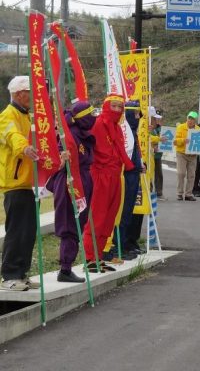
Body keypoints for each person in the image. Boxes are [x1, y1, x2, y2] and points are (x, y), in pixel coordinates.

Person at [82, 94, 134, 272]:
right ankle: (89, 257)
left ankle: (99, 256)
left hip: (114, 175)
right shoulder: (97, 124)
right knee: (97, 217)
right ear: (106, 106)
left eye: (121, 107)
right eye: (114, 106)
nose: (118, 110)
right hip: (99, 175)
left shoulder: (117, 129)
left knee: (109, 218)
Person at [46, 101, 96, 283]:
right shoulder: (67, 135)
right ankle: (65, 269)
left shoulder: (84, 134)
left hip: (83, 180)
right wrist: (61, 157)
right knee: (69, 224)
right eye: (90, 115)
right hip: (69, 182)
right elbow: (54, 158)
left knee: (79, 223)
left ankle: (68, 266)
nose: (93, 118)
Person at [0, 76, 42, 290]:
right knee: (17, 230)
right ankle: (9, 276)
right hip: (15, 183)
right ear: (18, 94)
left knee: (28, 231)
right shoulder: (8, 115)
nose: (33, 96)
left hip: (29, 182)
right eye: (30, 92)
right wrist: (24, 148)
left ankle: (21, 273)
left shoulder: (27, 116)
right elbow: (13, 136)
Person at [112, 101, 145, 261]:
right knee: (122, 213)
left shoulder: (133, 132)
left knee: (128, 213)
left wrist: (140, 164)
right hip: (125, 177)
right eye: (137, 114)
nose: (139, 117)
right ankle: (118, 246)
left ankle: (124, 244)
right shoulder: (125, 133)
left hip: (133, 176)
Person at [174, 111, 200, 201]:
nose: (190, 120)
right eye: (189, 118)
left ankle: (189, 194)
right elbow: (175, 141)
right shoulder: (181, 127)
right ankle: (179, 193)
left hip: (193, 155)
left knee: (191, 175)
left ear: (195, 120)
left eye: (192, 119)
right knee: (181, 173)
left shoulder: (198, 129)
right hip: (182, 153)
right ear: (187, 118)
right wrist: (183, 140)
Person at [149, 107, 164, 200]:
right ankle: (149, 191)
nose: (156, 120)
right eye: (154, 118)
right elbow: (148, 138)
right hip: (149, 154)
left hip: (157, 154)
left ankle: (159, 192)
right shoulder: (146, 127)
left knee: (158, 174)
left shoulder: (157, 128)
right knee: (149, 173)